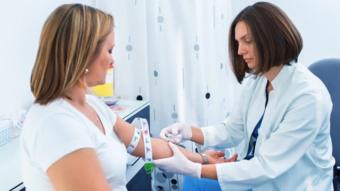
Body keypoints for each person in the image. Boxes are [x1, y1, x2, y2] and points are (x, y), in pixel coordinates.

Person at [19, 4, 235, 191]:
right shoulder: (56, 123)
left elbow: (148, 145)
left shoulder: (92, 105)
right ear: (83, 54)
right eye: (110, 50)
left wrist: (204, 160)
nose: (114, 61)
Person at [155, 2, 335, 191]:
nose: (240, 51)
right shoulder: (258, 80)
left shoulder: (308, 97)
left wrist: (196, 168)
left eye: (247, 41)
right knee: (196, 183)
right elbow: (233, 129)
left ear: (272, 38)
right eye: (238, 43)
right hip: (256, 178)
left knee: (197, 179)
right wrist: (189, 132)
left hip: (290, 185)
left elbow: (266, 166)